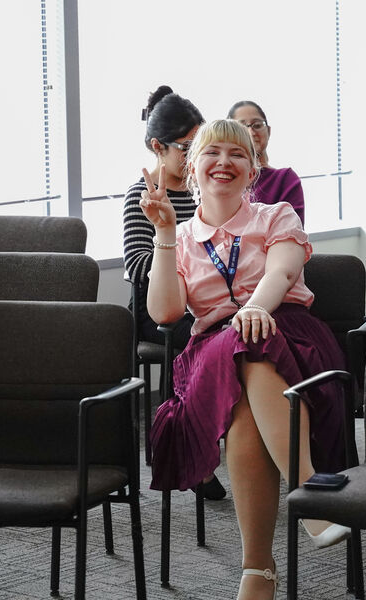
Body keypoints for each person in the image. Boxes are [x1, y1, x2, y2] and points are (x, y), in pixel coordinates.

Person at [140, 119, 349, 600]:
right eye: (213, 153)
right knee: (238, 347)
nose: (224, 163)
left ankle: (257, 569)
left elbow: (281, 272)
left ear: (253, 170)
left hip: (289, 333)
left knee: (248, 375)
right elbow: (166, 312)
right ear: (192, 168)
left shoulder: (275, 216)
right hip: (213, 351)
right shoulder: (182, 235)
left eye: (238, 155)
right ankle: (310, 495)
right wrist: (166, 234)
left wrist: (255, 309)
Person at [122, 86, 225, 501]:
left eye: (200, 146)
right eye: (186, 148)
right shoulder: (141, 196)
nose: (195, 157)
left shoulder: (204, 193)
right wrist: (188, 267)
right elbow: (138, 266)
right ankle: (190, 450)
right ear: (156, 147)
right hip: (157, 309)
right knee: (202, 339)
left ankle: (209, 442)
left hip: (200, 299)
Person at [227, 100, 306, 225]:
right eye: (242, 127)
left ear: (268, 131)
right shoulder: (223, 179)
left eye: (257, 125)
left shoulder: (285, 179)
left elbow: (291, 232)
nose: (251, 132)